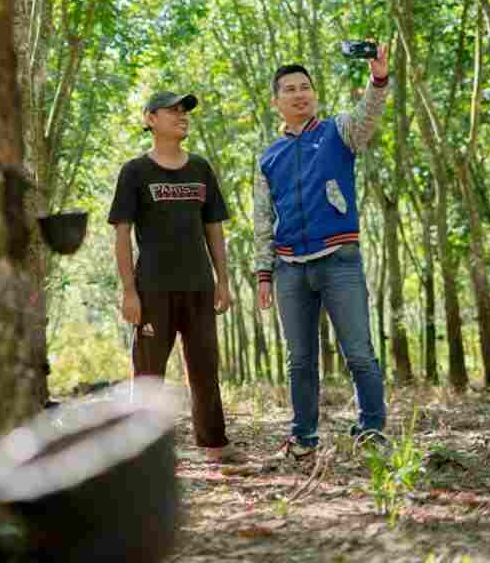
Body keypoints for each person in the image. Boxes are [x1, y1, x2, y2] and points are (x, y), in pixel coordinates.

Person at [253, 45, 392, 460]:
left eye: (306, 87)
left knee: (359, 353)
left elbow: (369, 113)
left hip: (339, 260)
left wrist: (378, 78)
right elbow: (263, 219)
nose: (300, 94)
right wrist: (264, 273)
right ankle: (303, 438)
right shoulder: (268, 158)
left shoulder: (339, 131)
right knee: (299, 361)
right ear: (276, 101)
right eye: (290, 89)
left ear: (314, 94)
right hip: (289, 269)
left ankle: (371, 431)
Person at [108, 91, 237, 463]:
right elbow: (122, 234)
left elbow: (214, 228)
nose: (182, 116)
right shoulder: (135, 172)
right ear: (150, 119)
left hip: (199, 287)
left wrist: (223, 281)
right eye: (173, 111)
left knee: (205, 366)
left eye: (185, 111)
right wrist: (129, 291)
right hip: (152, 289)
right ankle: (142, 453)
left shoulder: (200, 168)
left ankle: (214, 443)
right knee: (149, 372)